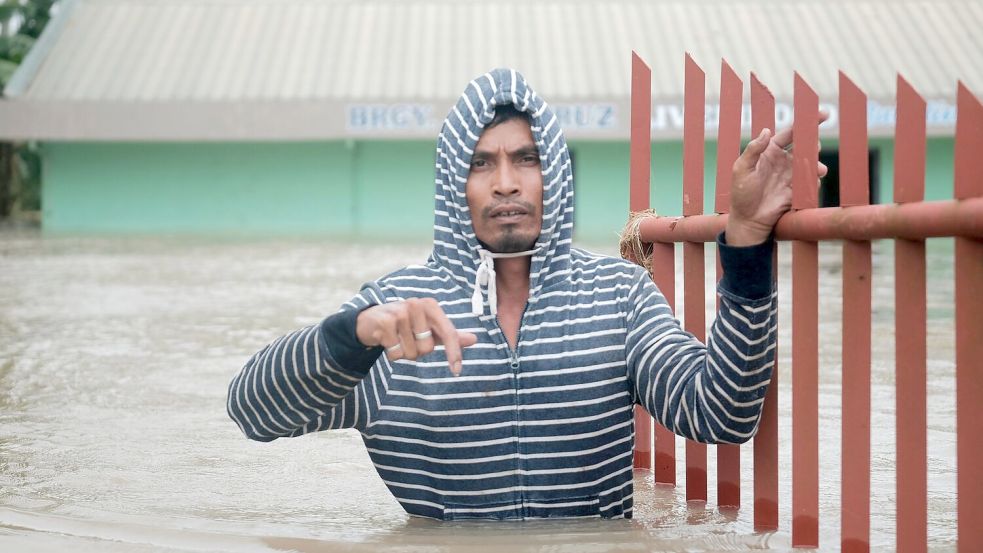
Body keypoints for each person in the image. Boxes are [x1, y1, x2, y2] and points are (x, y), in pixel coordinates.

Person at [227, 68, 826, 520]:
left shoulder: (618, 296)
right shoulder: (395, 313)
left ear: (555, 174)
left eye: (526, 159)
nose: (507, 183)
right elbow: (252, 413)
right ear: (452, 185)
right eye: (481, 164)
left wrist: (745, 241)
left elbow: (722, 412)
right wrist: (352, 335)